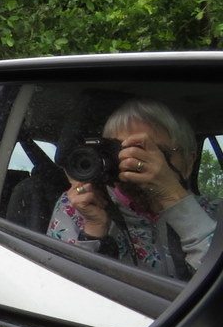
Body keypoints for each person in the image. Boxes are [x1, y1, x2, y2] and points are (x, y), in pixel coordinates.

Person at [47, 99, 219, 280]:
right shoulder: (79, 206)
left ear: (188, 163)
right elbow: (61, 290)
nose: (132, 163)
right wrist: (94, 228)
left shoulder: (216, 213)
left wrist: (173, 199)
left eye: (156, 153)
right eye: (121, 151)